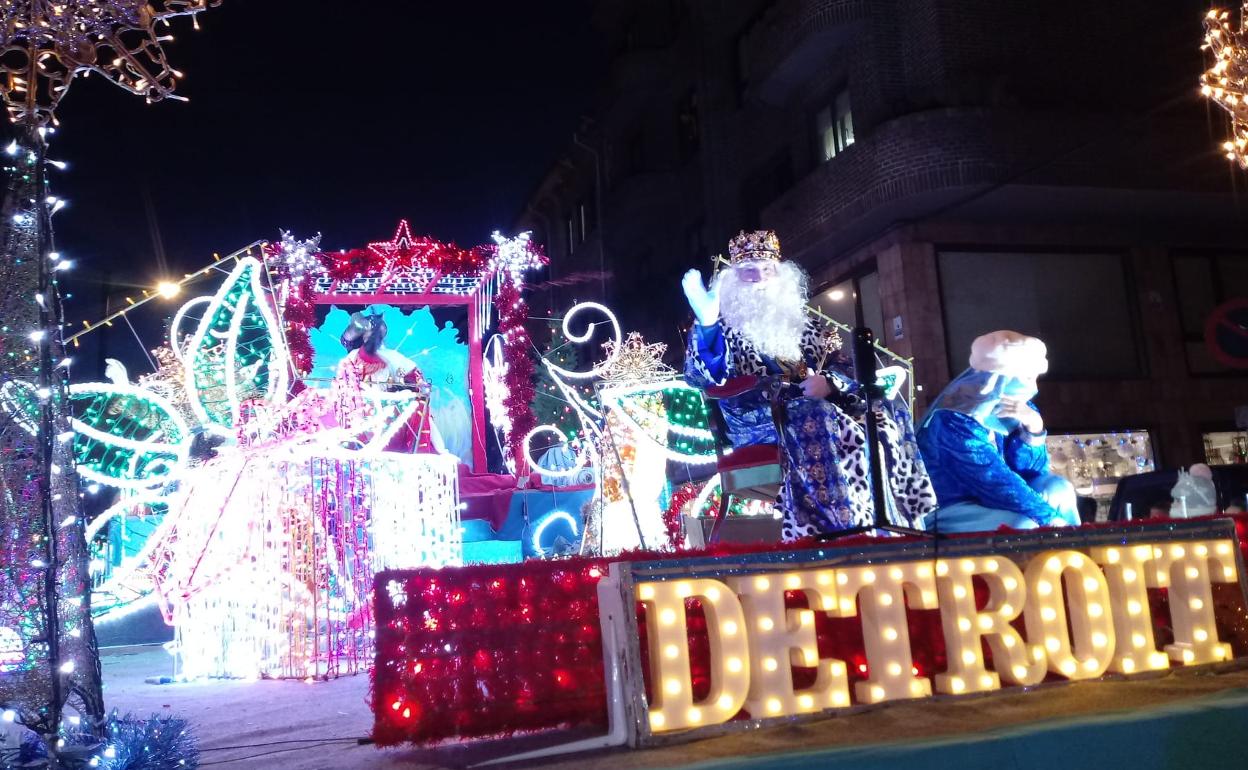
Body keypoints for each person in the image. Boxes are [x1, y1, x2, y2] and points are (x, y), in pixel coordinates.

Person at [683, 230, 935, 540]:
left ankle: (902, 522)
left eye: (767, 269)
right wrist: (707, 326)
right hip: (758, 418)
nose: (759, 278)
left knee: (886, 412)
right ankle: (832, 528)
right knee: (814, 414)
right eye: (749, 272)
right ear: (734, 280)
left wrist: (829, 383)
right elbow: (701, 378)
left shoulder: (805, 323)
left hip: (818, 404)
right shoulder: (720, 324)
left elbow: (842, 367)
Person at [917, 330, 1079, 532]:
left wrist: (1033, 428)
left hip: (994, 501)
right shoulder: (954, 419)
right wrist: (1051, 520)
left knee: (1058, 489)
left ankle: (1076, 553)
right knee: (1022, 526)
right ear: (1002, 376)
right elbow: (993, 481)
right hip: (952, 507)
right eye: (1028, 377)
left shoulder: (1018, 408)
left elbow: (1033, 471)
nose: (1033, 386)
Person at [336, 311, 445, 454]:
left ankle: (434, 448)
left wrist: (405, 389)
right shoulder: (354, 357)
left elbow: (414, 377)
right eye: (368, 334)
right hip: (361, 407)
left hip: (384, 406)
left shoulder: (391, 356)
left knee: (417, 407)